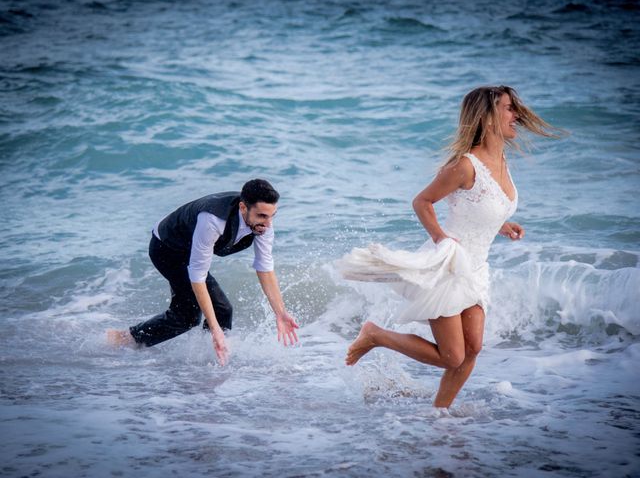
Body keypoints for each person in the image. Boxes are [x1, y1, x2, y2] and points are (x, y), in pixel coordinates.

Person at [338, 86, 559, 408]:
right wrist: (441, 237)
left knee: (472, 350)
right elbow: (422, 201)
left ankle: (440, 416)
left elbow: (477, 208)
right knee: (452, 356)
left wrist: (501, 224)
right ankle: (376, 335)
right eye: (509, 109)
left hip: (476, 269)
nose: (517, 116)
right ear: (487, 116)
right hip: (448, 266)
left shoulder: (502, 161)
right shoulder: (466, 165)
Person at [107, 178, 299, 365]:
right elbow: (198, 276)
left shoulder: (263, 225)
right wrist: (215, 329)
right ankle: (124, 339)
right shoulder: (213, 220)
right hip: (166, 248)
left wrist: (280, 313)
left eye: (272, 215)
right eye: (262, 216)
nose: (268, 223)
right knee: (187, 316)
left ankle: (210, 358)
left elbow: (264, 267)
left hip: (189, 248)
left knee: (222, 310)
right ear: (243, 208)